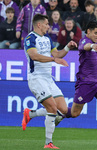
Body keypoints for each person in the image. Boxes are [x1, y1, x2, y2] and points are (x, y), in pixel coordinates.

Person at [22, 14, 77, 149]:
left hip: (48, 79)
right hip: (36, 78)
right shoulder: (30, 38)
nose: (49, 26)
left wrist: (68, 47)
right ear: (39, 25)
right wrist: (53, 60)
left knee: (63, 110)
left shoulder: (47, 39)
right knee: (52, 107)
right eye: (47, 24)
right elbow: (34, 56)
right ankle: (48, 143)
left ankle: (30, 114)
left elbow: (57, 54)